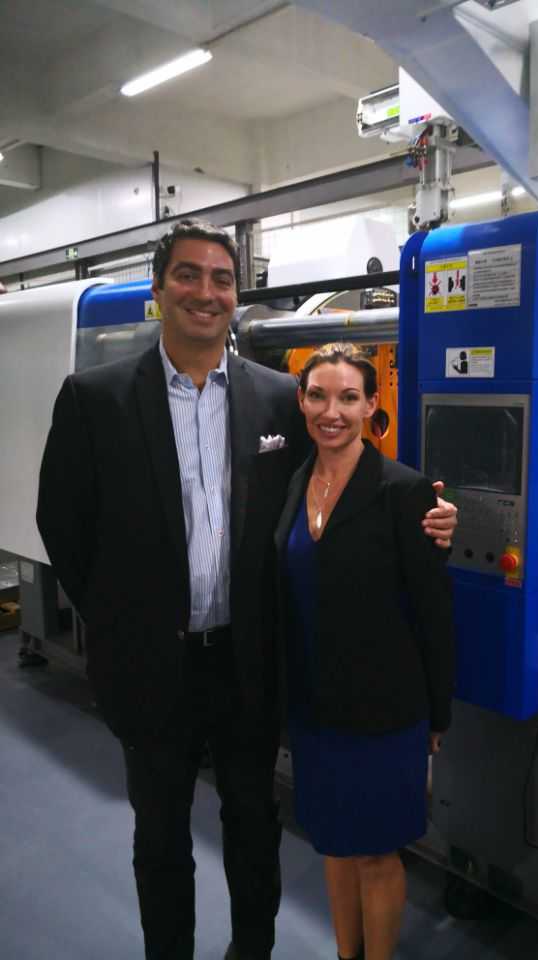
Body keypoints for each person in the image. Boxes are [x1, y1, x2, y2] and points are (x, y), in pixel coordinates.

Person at [36, 219, 458, 960]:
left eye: (222, 279)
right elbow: (62, 523)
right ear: (159, 288)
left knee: (254, 828)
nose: (206, 292)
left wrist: (425, 513)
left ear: (236, 294)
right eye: (188, 275)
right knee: (160, 837)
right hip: (153, 666)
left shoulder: (277, 400)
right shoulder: (95, 398)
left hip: (247, 664)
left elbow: (335, 482)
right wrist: (121, 620)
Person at [274, 343, 455, 960]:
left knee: (377, 853)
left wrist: (437, 712)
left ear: (372, 405)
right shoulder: (294, 482)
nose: (332, 412)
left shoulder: (403, 492)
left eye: (349, 397)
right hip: (315, 707)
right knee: (334, 843)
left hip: (385, 712)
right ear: (302, 402)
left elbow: (433, 611)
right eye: (319, 396)